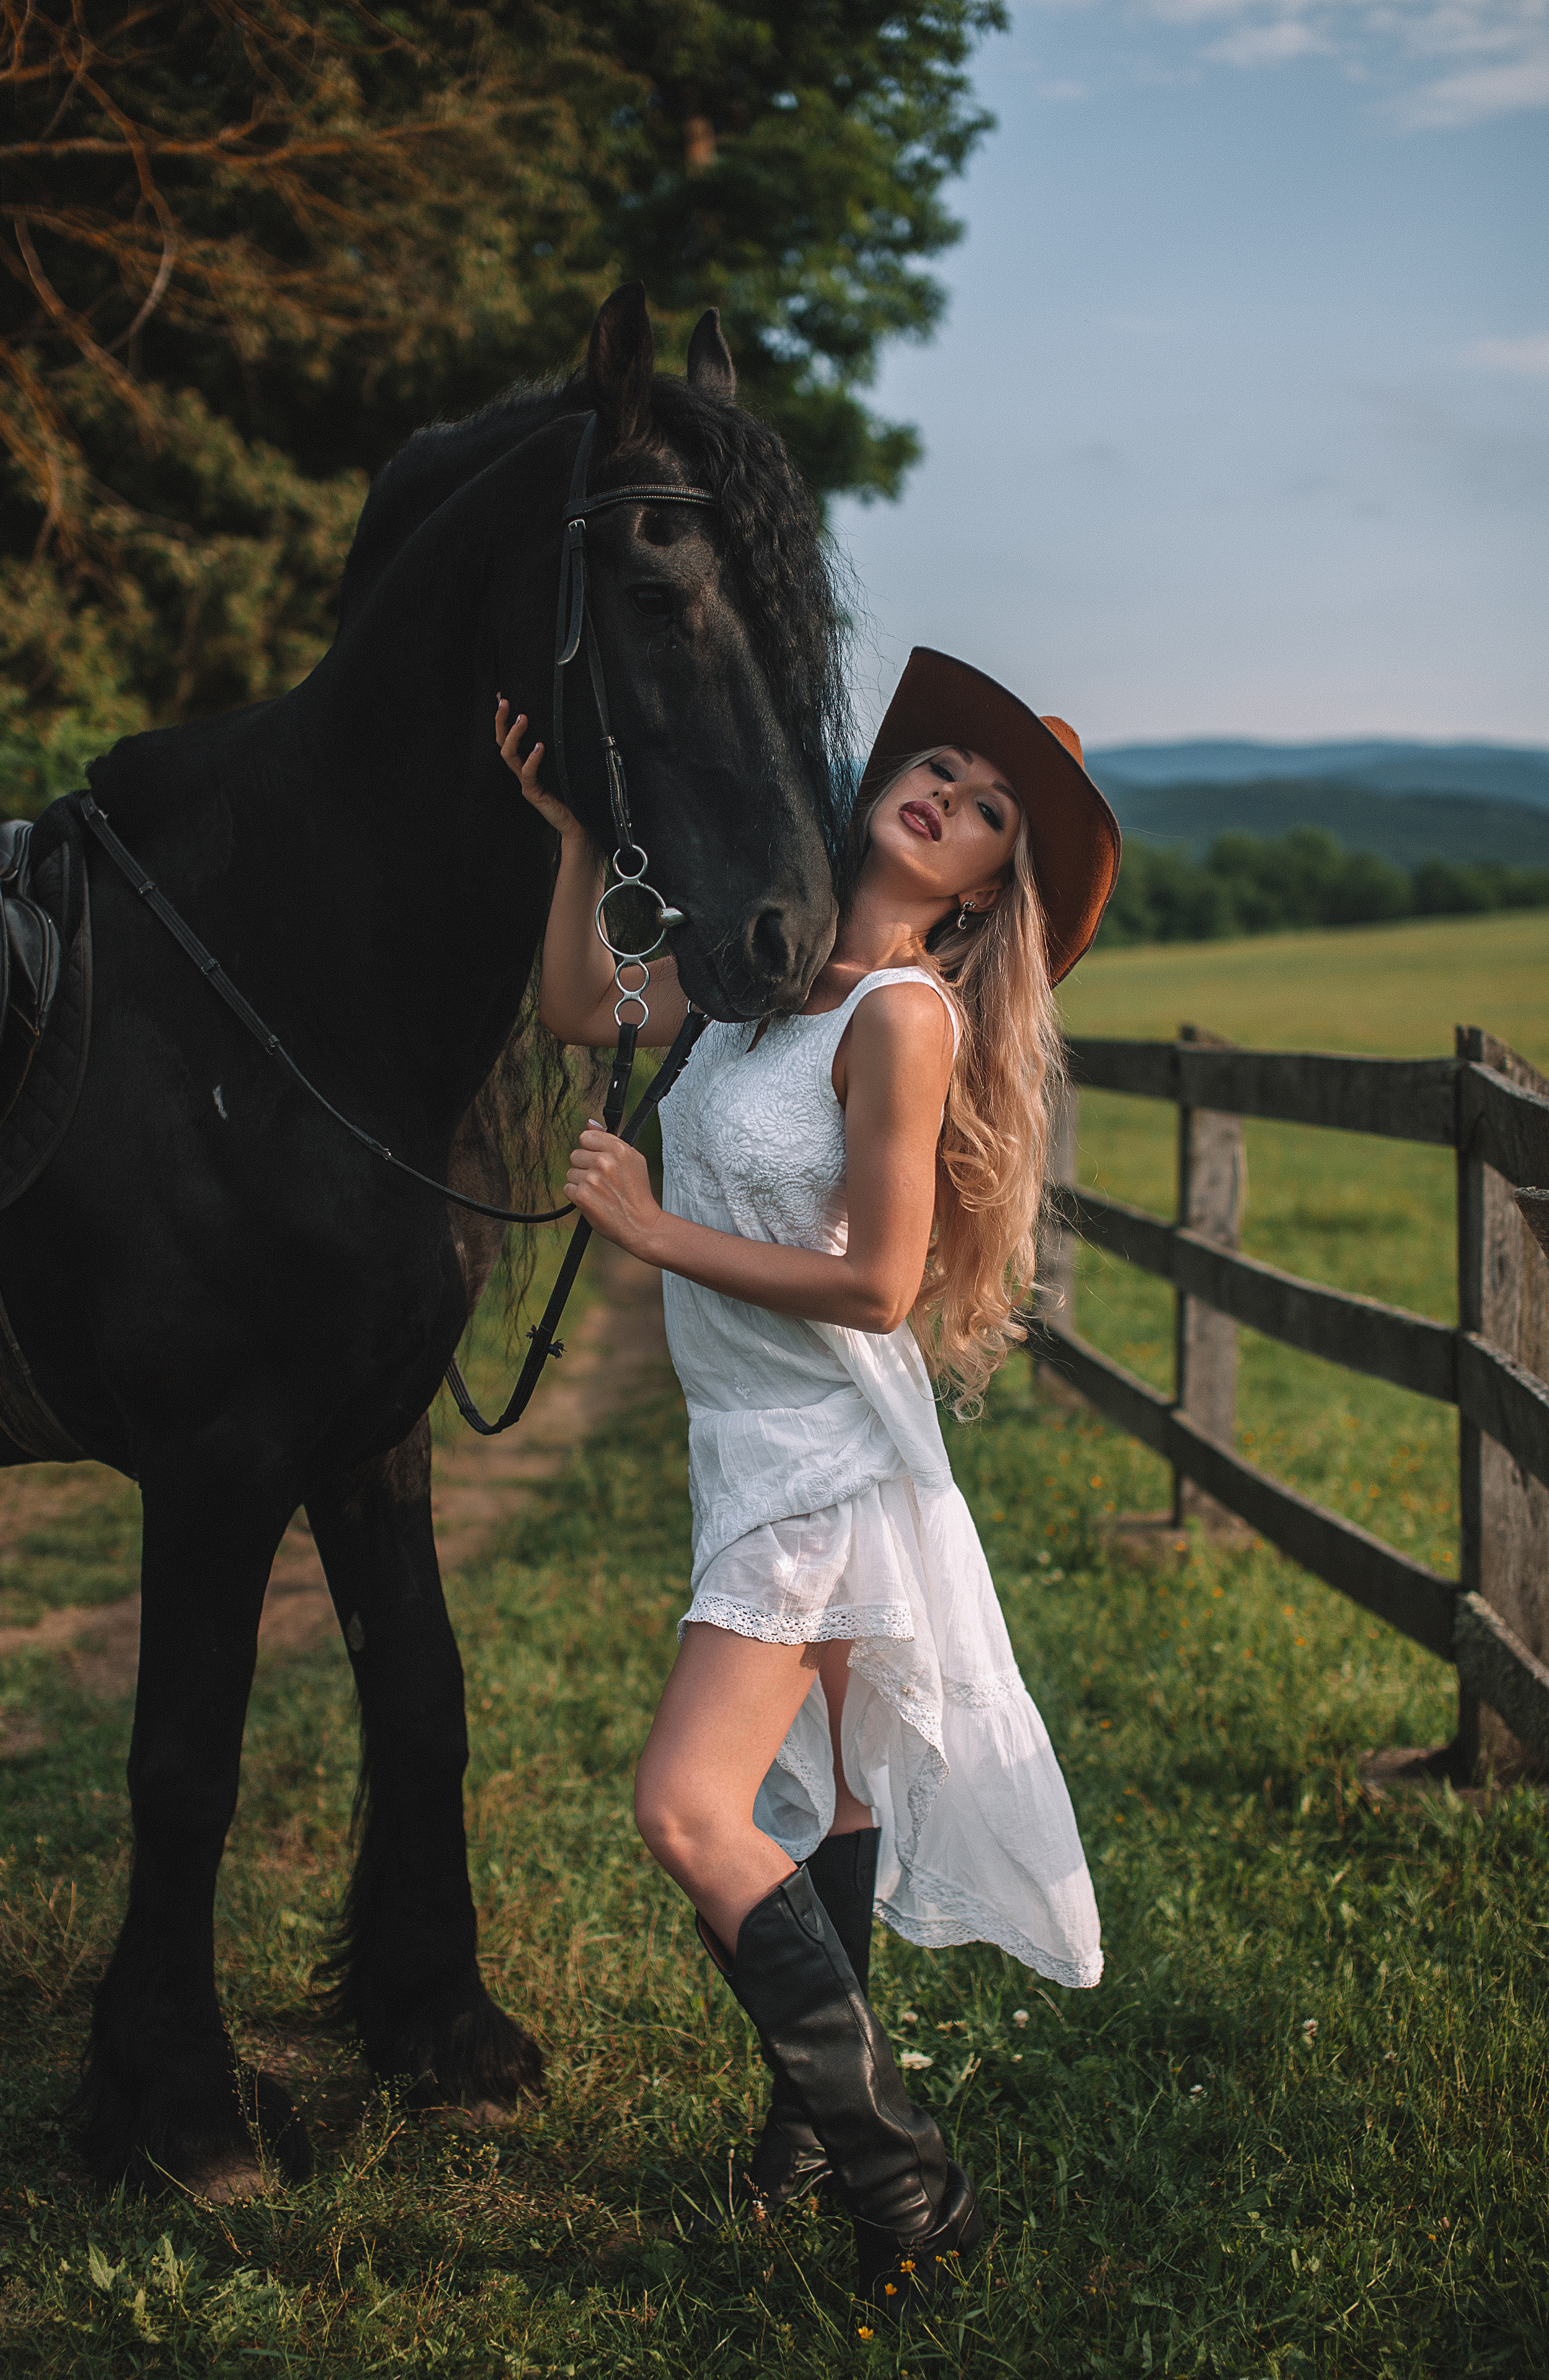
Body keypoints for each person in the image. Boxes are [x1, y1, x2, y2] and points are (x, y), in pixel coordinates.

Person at [496, 646, 1121, 2312]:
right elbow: (581, 1008)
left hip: (823, 1456)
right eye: (939, 767)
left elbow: (881, 1288)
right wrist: (571, 831)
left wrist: (650, 1229)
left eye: (990, 813)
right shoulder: (759, 980)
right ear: (875, 782)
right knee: (835, 1794)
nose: (950, 800)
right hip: (750, 1440)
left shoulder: (903, 1019)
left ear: (988, 890)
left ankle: (905, 2177)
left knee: (690, 1809)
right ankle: (802, 2130)